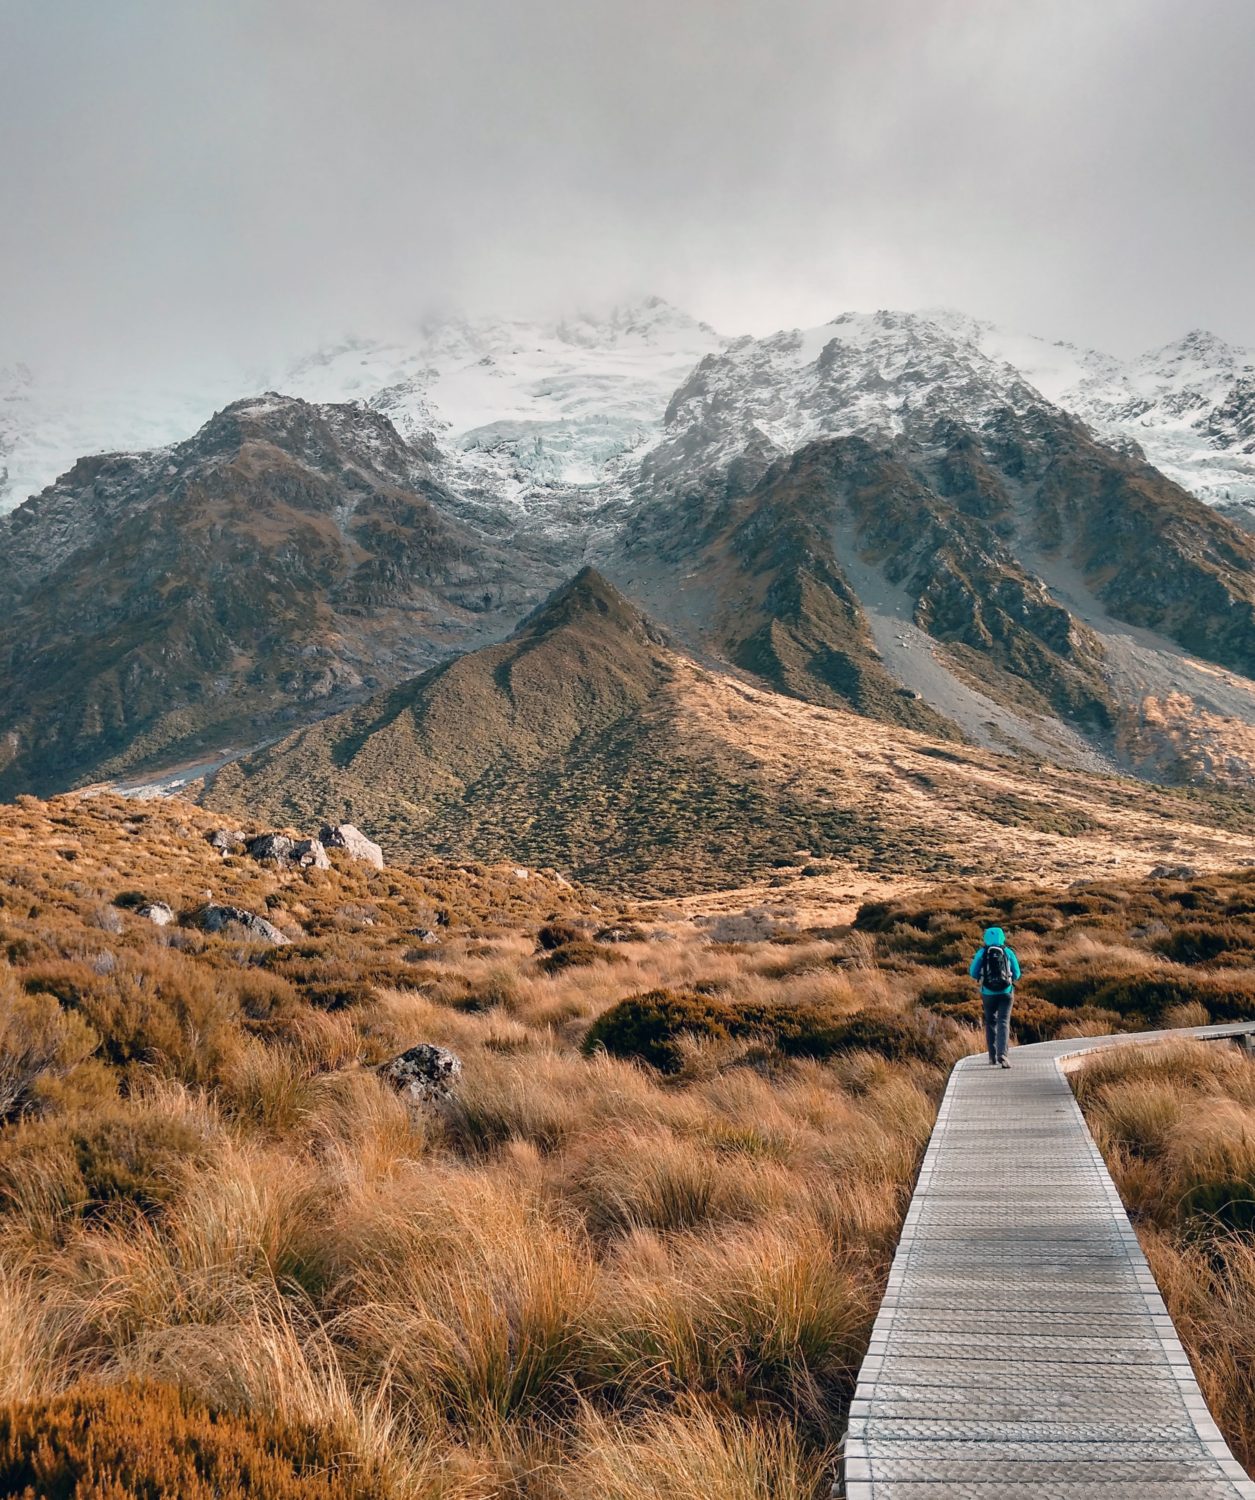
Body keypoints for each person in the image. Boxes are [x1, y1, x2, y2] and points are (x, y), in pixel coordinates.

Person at [969, 925, 1021, 1068]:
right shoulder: (1008, 952)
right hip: (1006, 992)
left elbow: (973, 973)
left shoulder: (982, 953)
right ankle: (1002, 1055)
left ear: (986, 938)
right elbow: (1017, 974)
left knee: (990, 1022)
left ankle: (992, 1057)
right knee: (1003, 1022)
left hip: (988, 993)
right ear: (1002, 937)